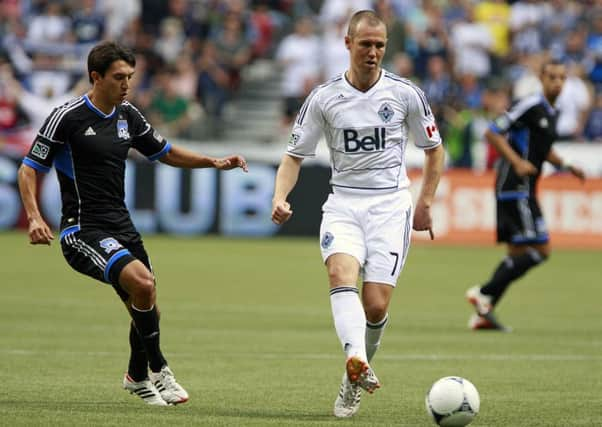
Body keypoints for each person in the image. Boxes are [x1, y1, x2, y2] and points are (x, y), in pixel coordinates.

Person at [17, 41, 248, 406]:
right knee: (142, 284)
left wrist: (213, 162)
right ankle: (159, 368)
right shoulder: (68, 117)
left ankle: (136, 377)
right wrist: (33, 217)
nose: (127, 84)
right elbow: (29, 168)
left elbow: (166, 152)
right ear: (96, 77)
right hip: (82, 230)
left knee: (146, 303)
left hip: (121, 225)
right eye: (119, 77)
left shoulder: (128, 115)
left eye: (130, 76)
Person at [271, 10, 445, 418]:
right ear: (347, 43)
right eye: (365, 44)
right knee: (339, 275)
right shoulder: (324, 98)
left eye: (380, 45)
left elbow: (434, 151)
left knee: (376, 305)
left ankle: (354, 374)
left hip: (390, 206)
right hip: (344, 204)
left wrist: (425, 202)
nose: (372, 52)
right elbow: (293, 156)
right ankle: (357, 360)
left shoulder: (406, 94)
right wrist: (280, 197)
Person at [466, 60, 585, 332]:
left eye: (562, 78)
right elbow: (493, 131)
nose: (558, 82)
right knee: (541, 250)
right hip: (514, 186)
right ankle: (484, 292)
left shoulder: (551, 113)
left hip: (525, 188)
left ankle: (484, 313)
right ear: (541, 79)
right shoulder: (530, 104)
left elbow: (542, 150)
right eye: (552, 77)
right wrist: (517, 163)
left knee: (517, 253)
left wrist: (565, 164)